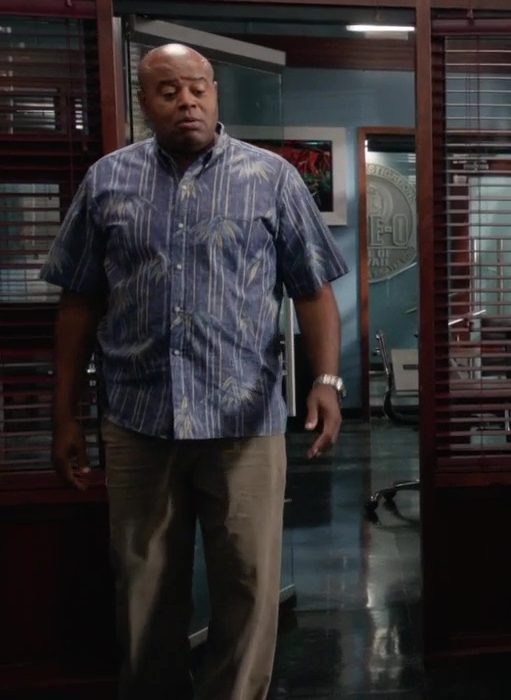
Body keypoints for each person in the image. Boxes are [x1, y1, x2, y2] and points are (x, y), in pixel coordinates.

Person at [40, 43, 349, 700]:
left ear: (215, 93)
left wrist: (326, 382)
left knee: (248, 587)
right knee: (144, 592)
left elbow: (313, 290)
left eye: (198, 88)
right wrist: (63, 415)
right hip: (138, 422)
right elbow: (78, 302)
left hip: (244, 424)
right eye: (169, 90)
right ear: (145, 102)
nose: (187, 101)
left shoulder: (272, 178)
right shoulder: (106, 181)